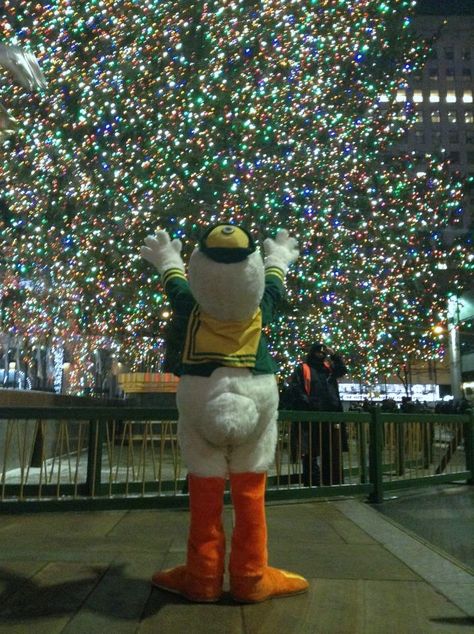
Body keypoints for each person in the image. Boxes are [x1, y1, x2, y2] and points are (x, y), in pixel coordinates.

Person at [287, 342, 348, 486]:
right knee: (310, 451)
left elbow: (342, 370)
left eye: (323, 353)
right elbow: (297, 389)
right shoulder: (303, 368)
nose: (320, 355)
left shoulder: (328, 368)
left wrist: (334, 355)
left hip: (330, 416)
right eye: (318, 353)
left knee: (330, 450)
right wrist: (309, 405)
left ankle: (330, 481)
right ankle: (312, 481)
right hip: (311, 417)